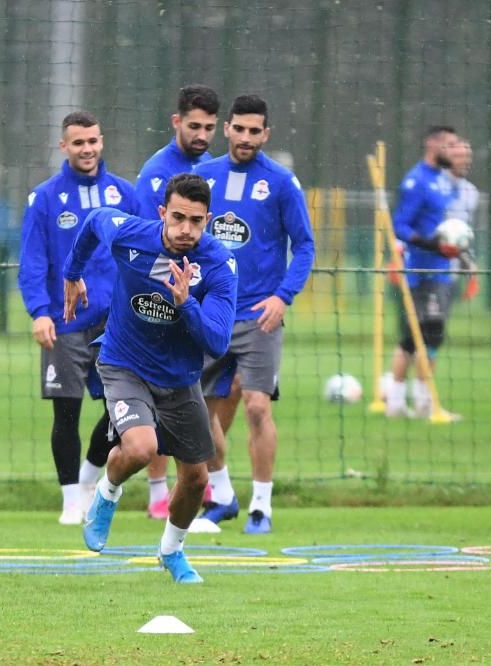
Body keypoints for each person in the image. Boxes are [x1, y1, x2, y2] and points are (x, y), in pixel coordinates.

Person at [63, 173, 237, 583]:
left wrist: (186, 304)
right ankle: (107, 493)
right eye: (177, 218)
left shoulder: (219, 265)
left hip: (179, 378)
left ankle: (171, 552)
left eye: (195, 221)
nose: (185, 229)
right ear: (162, 213)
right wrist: (73, 273)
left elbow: (217, 340)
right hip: (124, 362)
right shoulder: (130, 236)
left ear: (208, 220)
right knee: (141, 447)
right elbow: (92, 223)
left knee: (195, 479)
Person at [192, 94, 316, 535]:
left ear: (266, 134)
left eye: (254, 131)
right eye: (238, 129)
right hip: (211, 313)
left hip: (261, 314)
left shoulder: (281, 183)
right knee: (196, 412)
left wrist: (284, 295)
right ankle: (223, 494)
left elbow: (304, 246)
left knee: (258, 407)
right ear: (226, 129)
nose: (245, 138)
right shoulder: (202, 177)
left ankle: (261, 507)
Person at [18, 110, 137, 525]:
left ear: (102, 142)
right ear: (63, 146)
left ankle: (88, 479)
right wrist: (39, 312)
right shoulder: (46, 198)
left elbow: (141, 253)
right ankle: (71, 499)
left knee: (122, 412)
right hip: (65, 323)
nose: (87, 149)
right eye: (78, 143)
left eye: (93, 141)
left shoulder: (125, 194)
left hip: (117, 326)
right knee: (65, 414)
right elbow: (32, 261)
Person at [133, 84, 221, 520]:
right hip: (156, 300)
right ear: (176, 122)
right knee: (155, 400)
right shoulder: (155, 172)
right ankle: (154, 492)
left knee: (195, 400)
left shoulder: (212, 169)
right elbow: (140, 242)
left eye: (209, 127)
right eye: (194, 125)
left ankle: (199, 491)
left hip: (201, 296)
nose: (202, 134)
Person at [384, 125, 462, 420]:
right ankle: (402, 400)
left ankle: (420, 400)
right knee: (414, 336)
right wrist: (428, 244)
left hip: (441, 271)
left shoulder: (442, 181)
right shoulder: (416, 181)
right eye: (450, 145)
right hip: (421, 273)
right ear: (433, 144)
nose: (454, 151)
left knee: (432, 335)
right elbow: (400, 225)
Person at [446, 139, 481, 302]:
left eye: (468, 156)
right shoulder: (432, 185)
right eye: (460, 156)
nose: (466, 161)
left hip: (449, 272)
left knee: (438, 324)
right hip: (424, 267)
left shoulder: (471, 192)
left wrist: (469, 264)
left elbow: (462, 235)